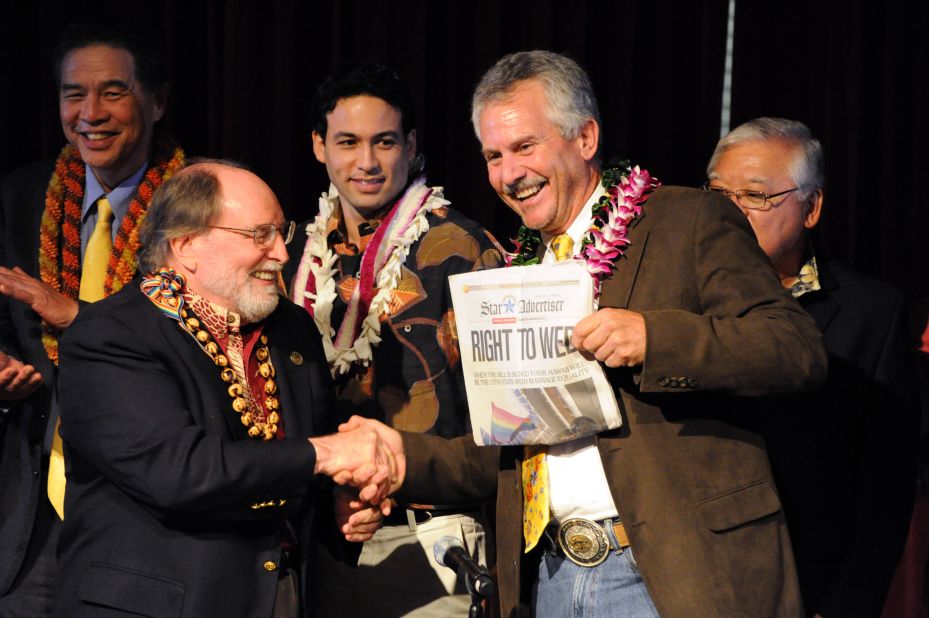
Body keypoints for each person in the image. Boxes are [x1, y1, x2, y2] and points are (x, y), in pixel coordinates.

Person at [340, 50, 829, 617]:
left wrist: (654, 338)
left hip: (672, 572)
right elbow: (501, 450)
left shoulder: (687, 220)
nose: (508, 174)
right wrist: (399, 457)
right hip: (549, 574)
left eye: (525, 147)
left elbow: (795, 349)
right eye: (493, 156)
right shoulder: (510, 274)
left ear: (586, 137)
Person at [54, 159, 396, 617]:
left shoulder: (291, 329)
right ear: (186, 244)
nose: (280, 254)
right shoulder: (109, 337)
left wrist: (343, 507)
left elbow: (304, 472)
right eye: (259, 235)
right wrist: (329, 453)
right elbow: (180, 471)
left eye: (281, 232)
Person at [285, 63, 503, 616]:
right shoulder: (290, 254)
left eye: (384, 142)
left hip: (428, 535)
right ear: (318, 146)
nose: (366, 162)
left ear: (410, 146)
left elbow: (505, 425)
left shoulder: (466, 250)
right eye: (347, 142)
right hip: (315, 536)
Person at [0, 22, 184, 616]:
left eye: (113, 92)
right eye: (73, 94)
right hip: (28, 521)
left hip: (144, 523)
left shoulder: (198, 203)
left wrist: (77, 317)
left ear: (155, 101)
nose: (90, 113)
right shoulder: (21, 197)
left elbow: (203, 354)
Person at [706, 117, 919, 617]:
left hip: (808, 587)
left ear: (811, 207)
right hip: (687, 579)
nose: (730, 213)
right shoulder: (675, 304)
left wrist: (847, 603)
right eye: (718, 193)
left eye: (756, 196)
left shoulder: (873, 313)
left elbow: (885, 489)